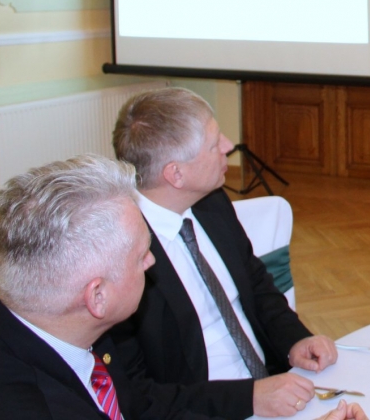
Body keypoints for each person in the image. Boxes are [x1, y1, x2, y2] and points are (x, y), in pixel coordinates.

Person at [111, 87, 339, 419]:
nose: (229, 146)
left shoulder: (211, 203)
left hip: (276, 386)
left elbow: (257, 285)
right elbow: (140, 397)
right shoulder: (120, 257)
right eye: (214, 143)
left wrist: (294, 341)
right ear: (175, 174)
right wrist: (249, 399)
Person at [0, 155, 223, 419]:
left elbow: (140, 407)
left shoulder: (61, 324)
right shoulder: (34, 407)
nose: (151, 261)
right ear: (98, 297)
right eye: (141, 255)